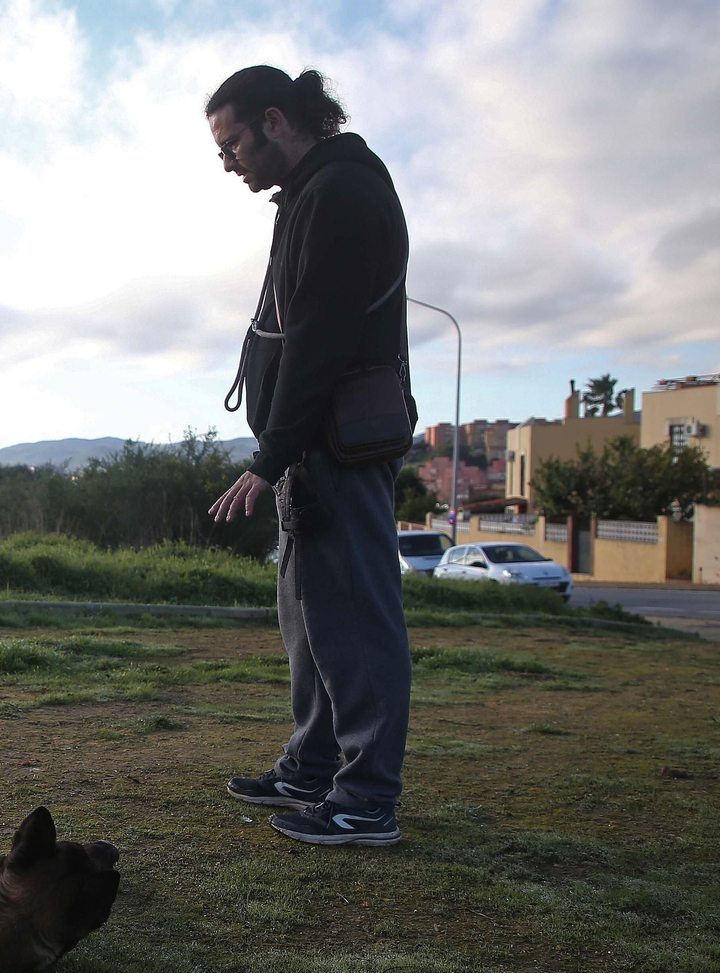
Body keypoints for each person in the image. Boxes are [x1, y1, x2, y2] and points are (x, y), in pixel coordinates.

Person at [204, 66, 412, 846]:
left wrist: (269, 458)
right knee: (310, 618)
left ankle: (365, 801)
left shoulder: (341, 193)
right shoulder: (310, 194)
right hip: (309, 449)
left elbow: (319, 343)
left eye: (232, 146)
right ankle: (313, 766)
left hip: (337, 447)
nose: (229, 164)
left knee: (352, 619)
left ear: (276, 121)